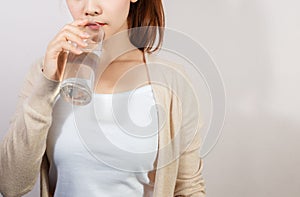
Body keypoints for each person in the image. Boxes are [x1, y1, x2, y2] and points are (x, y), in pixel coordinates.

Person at [0, 0, 206, 196]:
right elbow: (10, 186)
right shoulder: (44, 73)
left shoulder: (171, 82)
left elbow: (188, 189)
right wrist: (47, 83)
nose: (90, 8)